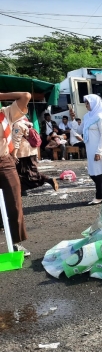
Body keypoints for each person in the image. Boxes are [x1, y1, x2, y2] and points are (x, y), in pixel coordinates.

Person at [0, 91, 32, 256]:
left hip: (4, 162)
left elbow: (25, 96)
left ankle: (15, 243)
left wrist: (1, 95)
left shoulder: (5, 113)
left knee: (14, 203)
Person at [12, 117, 58, 195]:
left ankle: (48, 179)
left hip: (23, 152)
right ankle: (22, 190)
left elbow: (16, 140)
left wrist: (14, 154)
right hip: (31, 151)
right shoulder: (27, 124)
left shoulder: (17, 125)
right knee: (24, 172)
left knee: (26, 172)